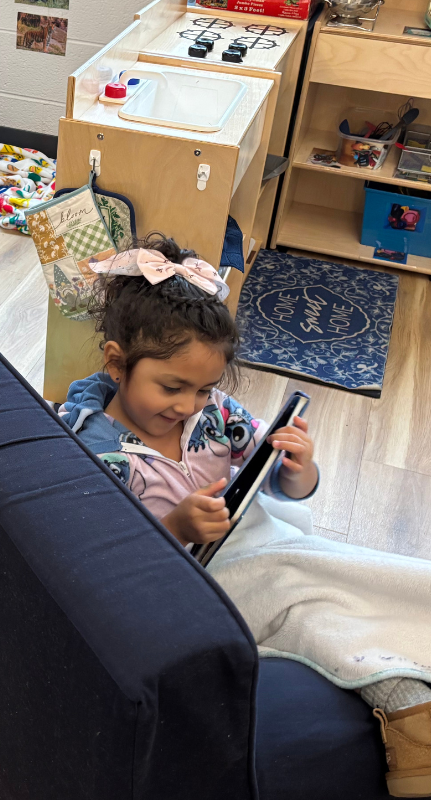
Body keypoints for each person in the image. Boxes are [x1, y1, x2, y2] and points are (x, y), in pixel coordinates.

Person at [57, 232, 431, 798]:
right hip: (195, 584)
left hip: (263, 541)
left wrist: (295, 467)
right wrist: (177, 527)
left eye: (204, 389)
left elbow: (277, 482)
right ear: (117, 363)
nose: (188, 405)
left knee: (363, 574)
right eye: (171, 387)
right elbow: (102, 562)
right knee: (310, 610)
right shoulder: (92, 451)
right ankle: (408, 709)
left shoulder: (215, 414)